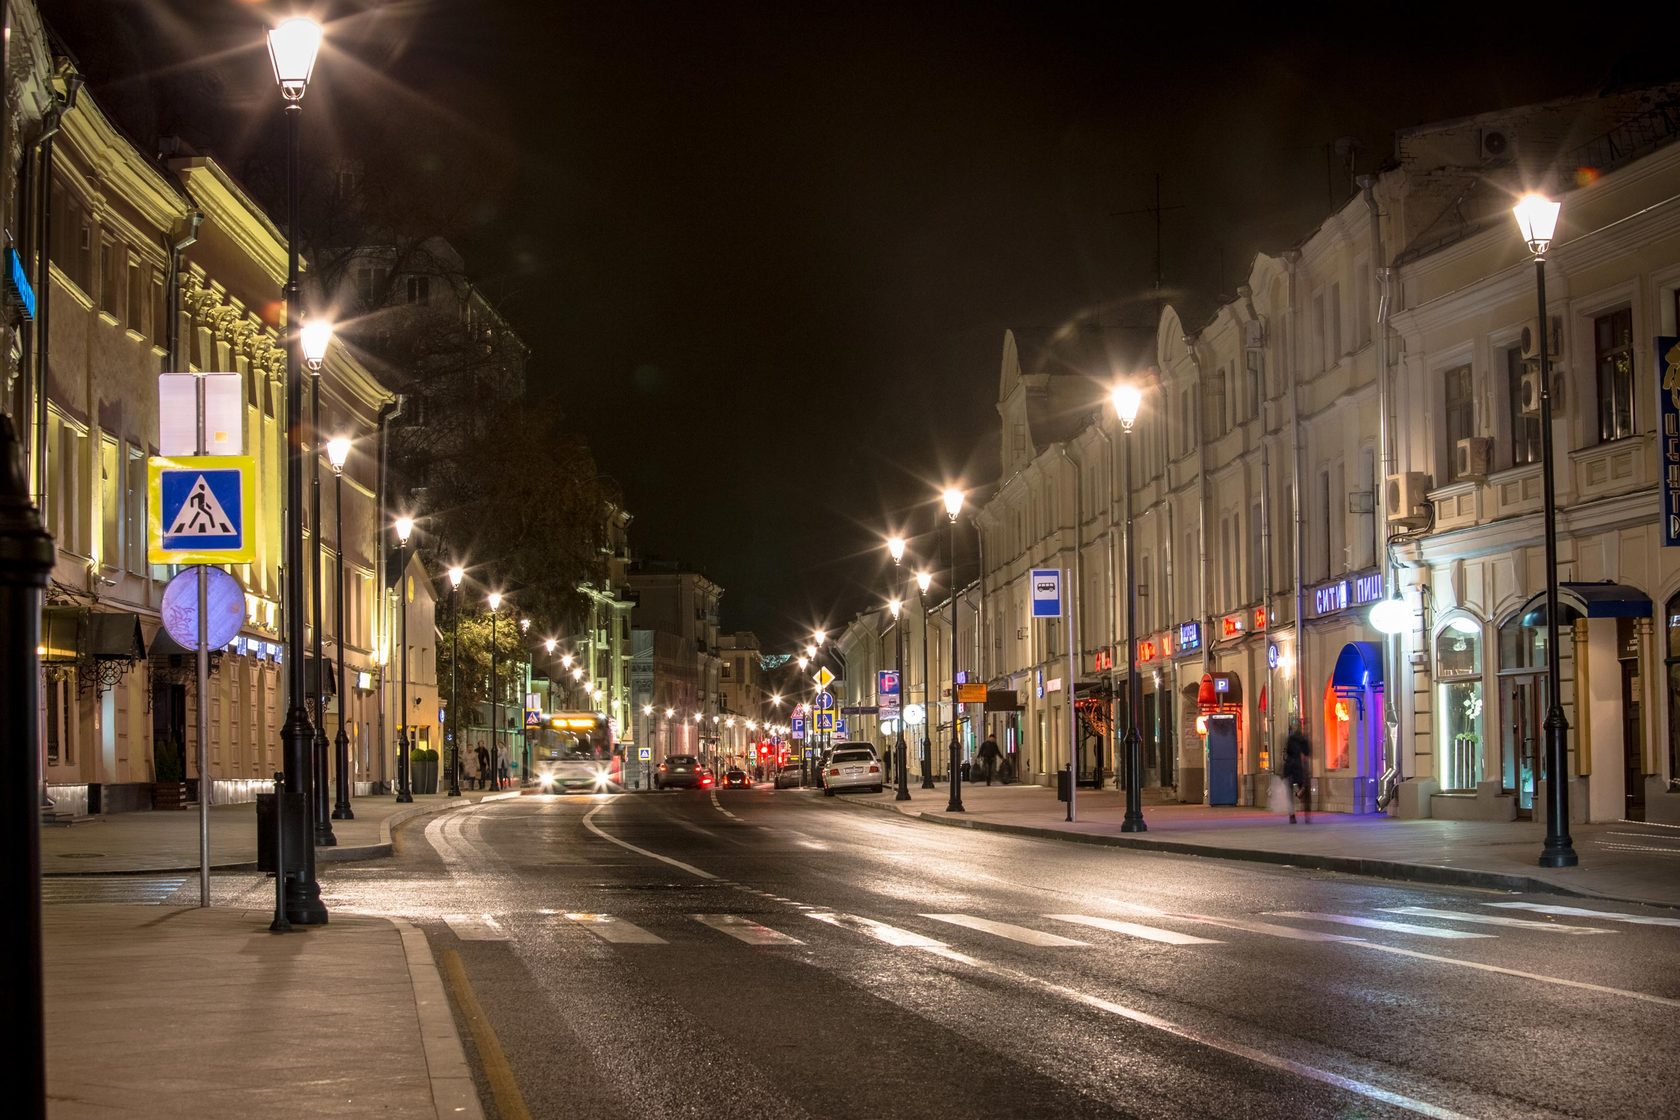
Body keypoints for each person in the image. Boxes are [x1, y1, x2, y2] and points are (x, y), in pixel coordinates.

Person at [1283, 721, 1312, 824]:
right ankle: (1307, 816)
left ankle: (1292, 816)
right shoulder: (1304, 739)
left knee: (1289, 793)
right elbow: (1307, 752)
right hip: (1300, 768)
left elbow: (1287, 752)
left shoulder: (1290, 739)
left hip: (1290, 768)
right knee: (1305, 789)